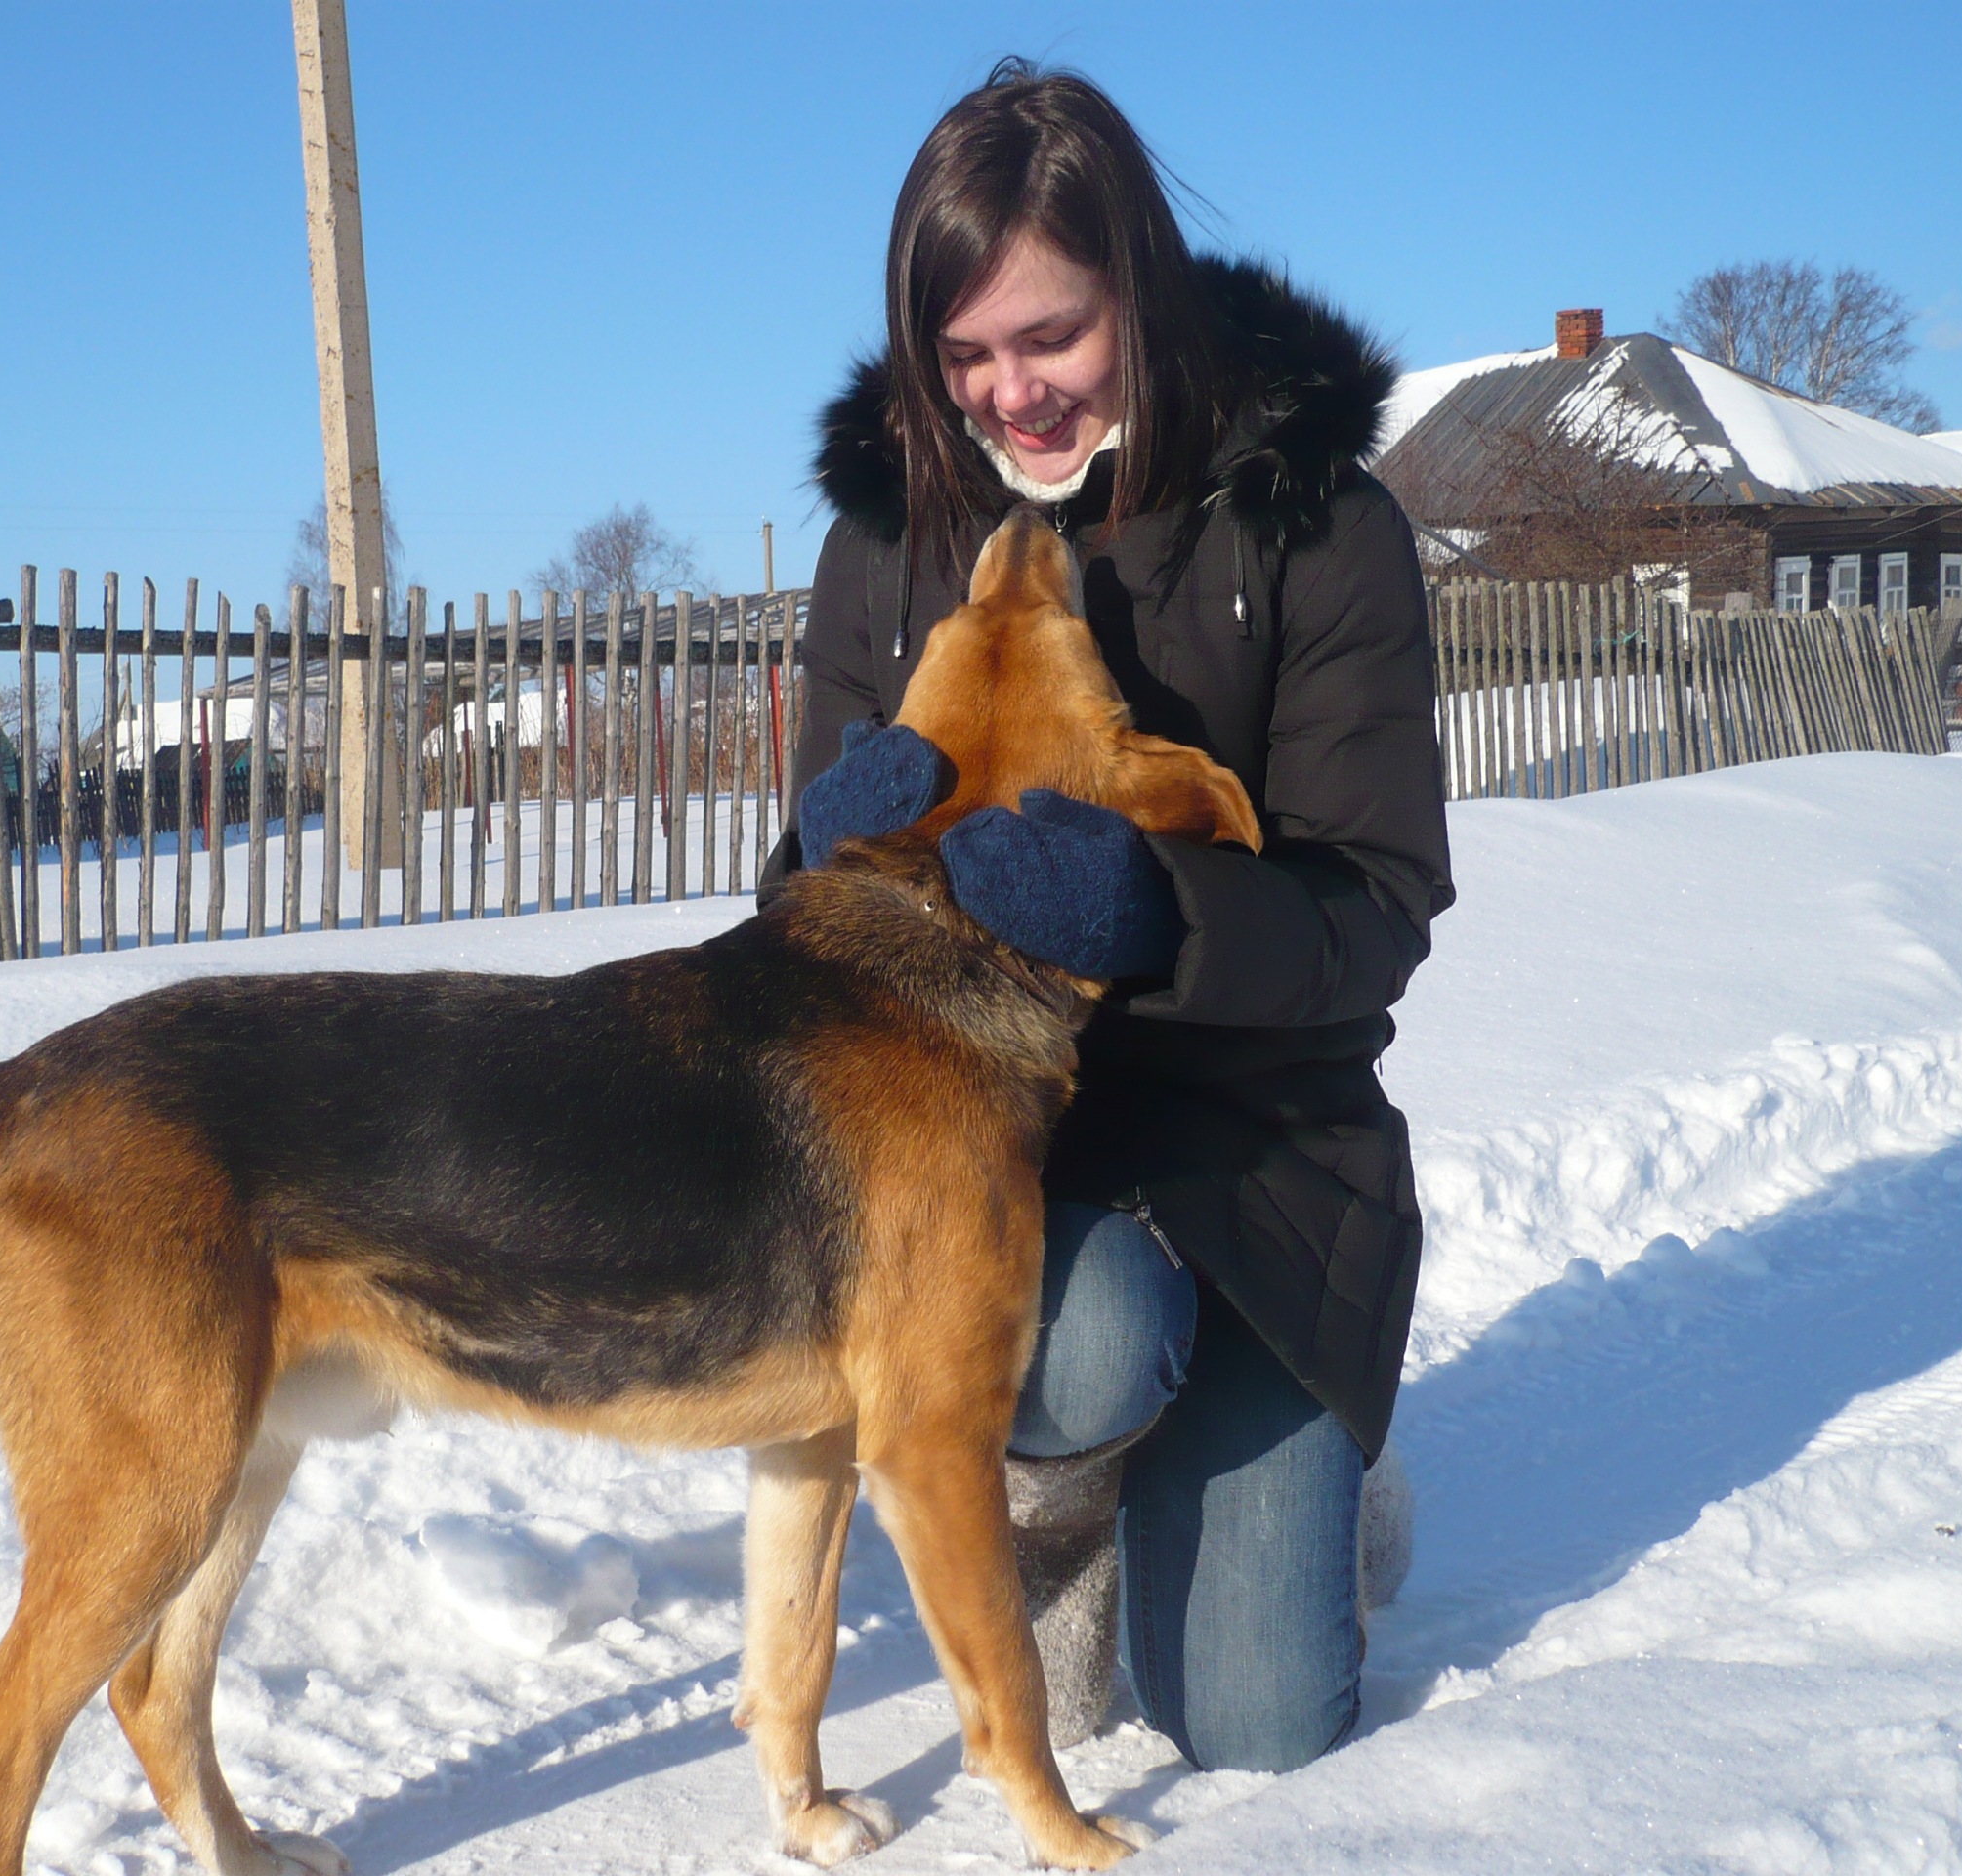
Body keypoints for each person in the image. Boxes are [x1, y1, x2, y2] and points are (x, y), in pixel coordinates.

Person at [762, 62, 1451, 1774]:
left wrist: (1156, 908)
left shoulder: (1316, 518)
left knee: (1259, 1733)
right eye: (965, 354)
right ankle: (1060, 1504)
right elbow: (796, 928)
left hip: (1254, 1150)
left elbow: (1375, 904)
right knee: (1088, 1343)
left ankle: (1324, 1467)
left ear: (1138, 286)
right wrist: (824, 863)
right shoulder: (886, 533)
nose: (1010, 395)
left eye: (1052, 336)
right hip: (990, 1142)